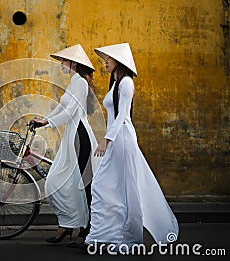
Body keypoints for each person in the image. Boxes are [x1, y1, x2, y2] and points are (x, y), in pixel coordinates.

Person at [85, 43, 179, 250]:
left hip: (122, 140)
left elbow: (123, 116)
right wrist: (108, 139)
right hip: (115, 139)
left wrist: (106, 140)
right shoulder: (116, 82)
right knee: (103, 186)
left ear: (118, 60)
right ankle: (102, 236)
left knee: (126, 189)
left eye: (108, 59)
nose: (105, 63)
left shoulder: (126, 83)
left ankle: (127, 237)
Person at [31, 44, 99, 244]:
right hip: (71, 136)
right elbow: (62, 107)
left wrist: (47, 122)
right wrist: (44, 120)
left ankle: (87, 230)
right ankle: (67, 224)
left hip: (80, 136)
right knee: (57, 181)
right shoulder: (73, 82)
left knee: (84, 183)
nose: (61, 63)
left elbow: (70, 113)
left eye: (64, 60)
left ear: (73, 63)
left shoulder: (80, 83)